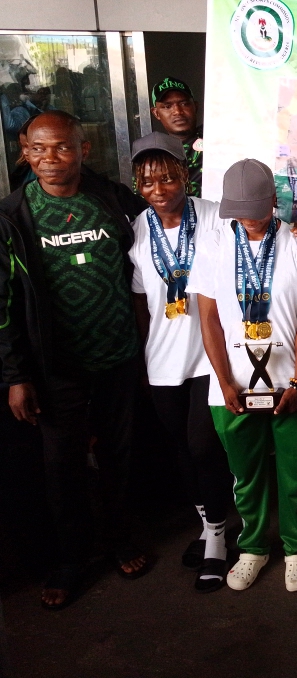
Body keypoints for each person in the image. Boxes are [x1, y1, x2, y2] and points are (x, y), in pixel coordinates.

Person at [0, 110, 150, 610]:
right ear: (25, 152)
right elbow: (3, 305)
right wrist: (16, 376)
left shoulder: (112, 199)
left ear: (83, 150)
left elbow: (167, 230)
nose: (50, 158)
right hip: (56, 368)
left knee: (118, 457)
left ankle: (120, 539)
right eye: (39, 148)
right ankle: (69, 559)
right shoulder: (12, 217)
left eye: (62, 147)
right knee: (61, 467)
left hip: (118, 355)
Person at [190, 159, 297, 593]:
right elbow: (209, 319)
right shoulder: (212, 244)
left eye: (256, 210)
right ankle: (253, 548)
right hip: (232, 386)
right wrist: (224, 381)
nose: (248, 219)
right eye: (239, 211)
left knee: (294, 475)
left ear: (273, 201)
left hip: (289, 384)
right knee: (245, 476)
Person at [128, 132, 232, 593]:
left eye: (168, 178)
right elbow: (140, 301)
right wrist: (142, 356)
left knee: (204, 447)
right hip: (163, 361)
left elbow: (262, 237)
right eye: (148, 182)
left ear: (185, 175)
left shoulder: (215, 215)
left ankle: (218, 539)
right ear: (138, 185)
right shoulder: (136, 229)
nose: (159, 189)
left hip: (211, 357)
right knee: (182, 450)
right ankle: (208, 526)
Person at [150, 77, 203, 197]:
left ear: (195, 106)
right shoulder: (153, 156)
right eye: (167, 106)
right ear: (156, 113)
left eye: (184, 104)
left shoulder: (218, 138)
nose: (178, 112)